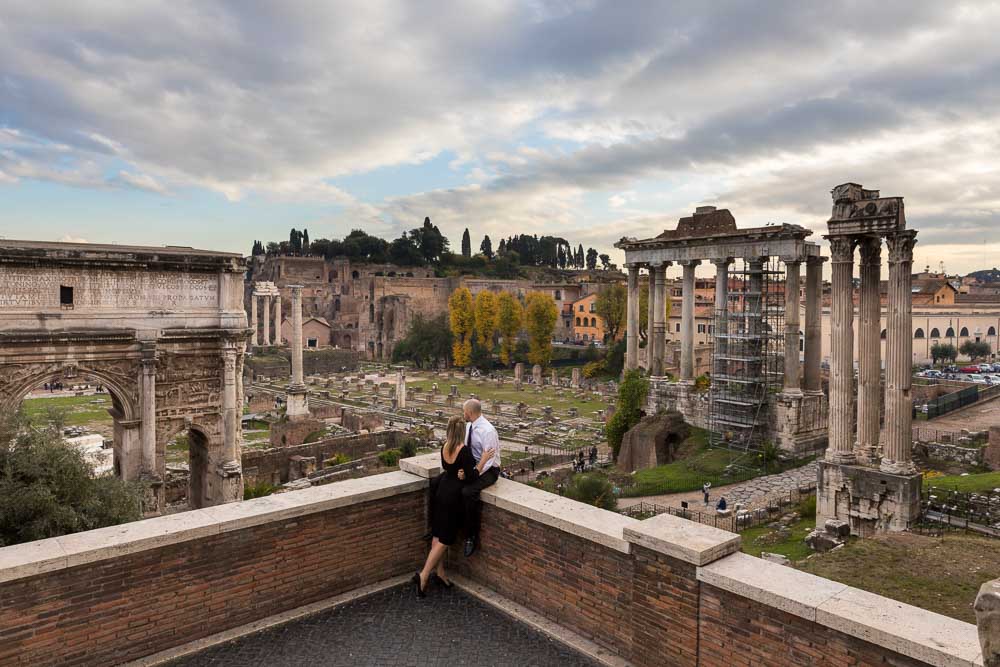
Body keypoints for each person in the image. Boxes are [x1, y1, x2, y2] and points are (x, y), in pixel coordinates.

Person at [414, 416, 494, 598]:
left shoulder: (444, 447)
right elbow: (473, 477)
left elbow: (447, 468)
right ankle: (424, 574)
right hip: (453, 497)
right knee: (446, 539)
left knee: (438, 534)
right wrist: (483, 460)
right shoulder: (464, 451)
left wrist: (461, 472)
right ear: (462, 432)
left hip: (442, 491)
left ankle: (440, 572)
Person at [461, 398, 501, 557]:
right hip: (474, 467)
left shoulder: (488, 431)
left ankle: (471, 536)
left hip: (489, 470)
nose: (463, 414)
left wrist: (474, 474)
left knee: (468, 492)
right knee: (447, 482)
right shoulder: (469, 425)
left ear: (469, 413)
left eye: (464, 411)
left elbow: (489, 460)